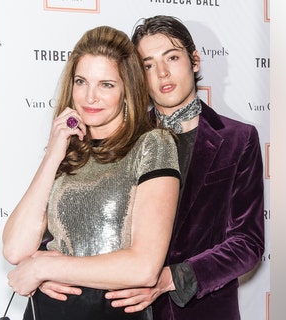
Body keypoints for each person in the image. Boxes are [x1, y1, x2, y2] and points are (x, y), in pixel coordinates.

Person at [2, 25, 181, 320]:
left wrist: (43, 267)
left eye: (106, 84)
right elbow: (15, 249)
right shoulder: (68, 151)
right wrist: (53, 154)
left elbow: (144, 267)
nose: (89, 97)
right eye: (81, 81)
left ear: (127, 89)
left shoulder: (153, 144)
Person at [102, 15, 265, 320]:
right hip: (129, 310)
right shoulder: (124, 141)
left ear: (194, 60)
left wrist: (173, 278)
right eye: (148, 65)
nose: (162, 73)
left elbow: (248, 243)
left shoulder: (239, 139)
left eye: (172, 57)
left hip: (204, 311)